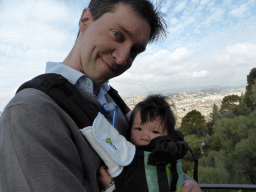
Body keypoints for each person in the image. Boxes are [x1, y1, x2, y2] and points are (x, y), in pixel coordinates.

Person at [0, 0, 167, 191]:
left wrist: (184, 182)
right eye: (117, 35)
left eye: (135, 50)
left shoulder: (114, 103)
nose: (122, 59)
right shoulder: (29, 112)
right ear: (85, 20)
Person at [99, 94, 202, 192]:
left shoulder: (169, 158)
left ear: (168, 136)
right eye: (138, 128)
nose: (144, 137)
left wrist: (111, 187)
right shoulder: (125, 157)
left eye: (155, 131)